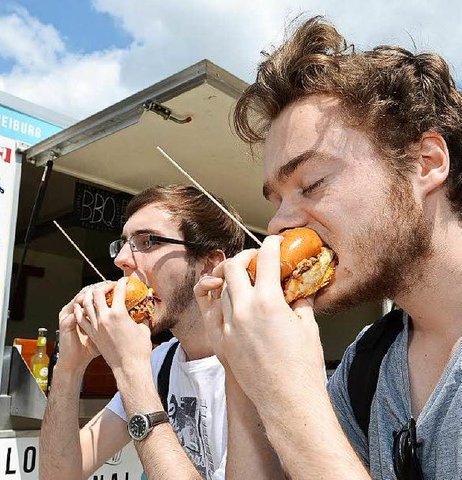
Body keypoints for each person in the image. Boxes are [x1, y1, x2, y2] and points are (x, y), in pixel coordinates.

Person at [194, 15, 462, 480]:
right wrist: (243, 370)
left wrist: (288, 397)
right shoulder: (369, 362)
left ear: (425, 163)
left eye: (311, 183)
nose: (277, 225)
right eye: (276, 201)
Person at [39, 185, 281, 480]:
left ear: (209, 264)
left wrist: (129, 368)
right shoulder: (162, 361)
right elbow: (60, 475)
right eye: (125, 243)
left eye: (147, 241)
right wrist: (68, 368)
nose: (122, 260)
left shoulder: (265, 363)